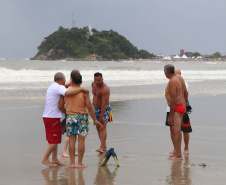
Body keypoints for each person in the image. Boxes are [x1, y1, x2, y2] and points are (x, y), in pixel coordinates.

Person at [41, 72, 88, 167]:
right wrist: (81, 88)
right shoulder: (59, 87)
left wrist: (68, 84)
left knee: (55, 139)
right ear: (62, 79)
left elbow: (65, 89)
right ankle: (45, 159)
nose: (66, 81)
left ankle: (54, 159)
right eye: (65, 79)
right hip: (52, 117)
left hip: (49, 116)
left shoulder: (53, 86)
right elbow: (67, 92)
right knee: (54, 141)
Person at [59, 70, 102, 168]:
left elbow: (60, 106)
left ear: (71, 80)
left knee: (71, 140)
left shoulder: (65, 91)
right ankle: (79, 163)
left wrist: (68, 113)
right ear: (81, 82)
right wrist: (95, 120)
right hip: (82, 117)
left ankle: (72, 163)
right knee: (81, 141)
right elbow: (90, 107)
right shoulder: (84, 92)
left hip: (70, 117)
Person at [165, 68, 192, 155]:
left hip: (177, 108)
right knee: (174, 130)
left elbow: (175, 99)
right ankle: (176, 149)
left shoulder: (177, 81)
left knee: (182, 130)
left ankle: (182, 150)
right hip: (175, 108)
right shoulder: (175, 81)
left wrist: (184, 104)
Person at [92, 72, 113, 154]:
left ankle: (101, 147)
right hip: (96, 109)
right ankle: (104, 146)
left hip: (104, 109)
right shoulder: (93, 84)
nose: (97, 82)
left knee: (103, 127)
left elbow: (104, 104)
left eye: (98, 80)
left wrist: (101, 116)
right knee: (98, 127)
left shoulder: (105, 89)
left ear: (102, 79)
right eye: (95, 80)